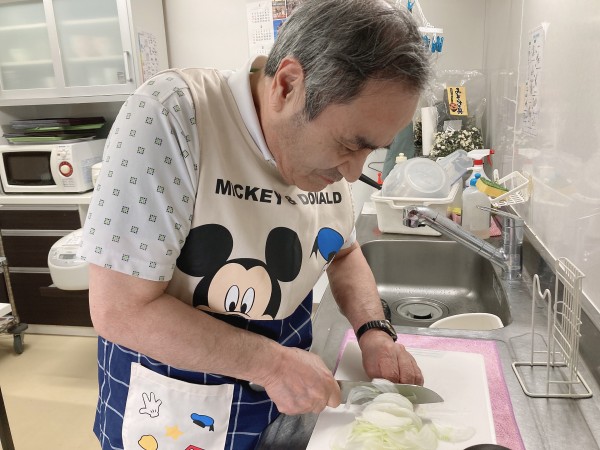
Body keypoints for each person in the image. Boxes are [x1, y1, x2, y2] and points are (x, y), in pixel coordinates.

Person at [78, 0, 432, 448]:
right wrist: (273, 364)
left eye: (370, 150)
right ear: (287, 85)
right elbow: (120, 309)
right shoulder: (172, 115)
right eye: (349, 145)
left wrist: (374, 332)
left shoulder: (326, 158)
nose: (352, 172)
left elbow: (343, 252)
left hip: (282, 398)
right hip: (175, 405)